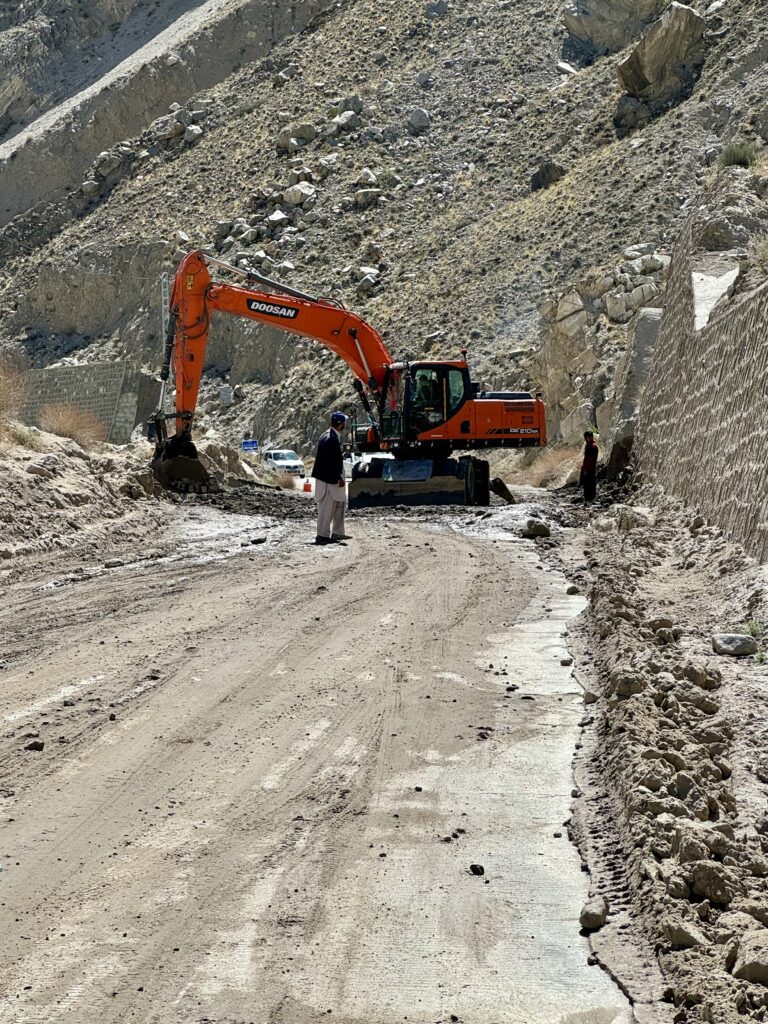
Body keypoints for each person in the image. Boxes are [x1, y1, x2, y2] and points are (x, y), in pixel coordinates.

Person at [312, 412, 349, 545]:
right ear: (340, 424)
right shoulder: (331, 438)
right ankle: (322, 535)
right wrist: (338, 477)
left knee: (339, 503)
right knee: (327, 508)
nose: (345, 424)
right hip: (328, 479)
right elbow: (329, 461)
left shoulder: (329, 435)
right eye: (344, 422)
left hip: (329, 478)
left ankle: (337, 532)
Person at [580, 430, 598, 504]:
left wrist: (585, 469)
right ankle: (591, 499)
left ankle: (589, 500)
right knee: (591, 484)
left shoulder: (591, 446)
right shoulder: (592, 446)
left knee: (588, 485)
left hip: (589, 468)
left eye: (586, 437)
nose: (585, 439)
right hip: (591, 468)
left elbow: (588, 459)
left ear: (588, 437)